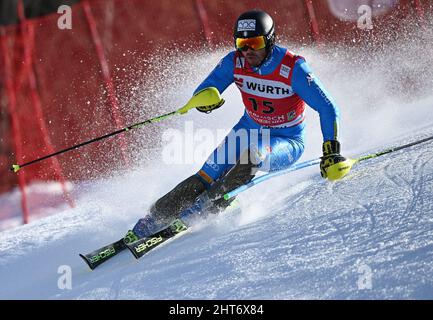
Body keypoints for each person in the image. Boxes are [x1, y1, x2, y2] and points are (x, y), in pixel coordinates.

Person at [129, 9, 350, 239]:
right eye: (241, 43)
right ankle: (152, 218)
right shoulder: (234, 62)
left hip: (286, 139)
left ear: (270, 40)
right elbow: (206, 89)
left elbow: (327, 107)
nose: (247, 51)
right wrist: (204, 100)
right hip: (247, 129)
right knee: (206, 175)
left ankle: (203, 210)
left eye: (254, 43)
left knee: (252, 157)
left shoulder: (293, 67)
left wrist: (331, 150)